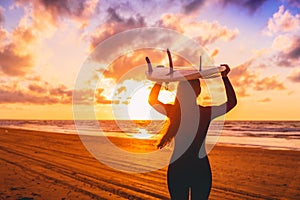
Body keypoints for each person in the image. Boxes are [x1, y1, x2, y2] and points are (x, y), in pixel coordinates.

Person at [148, 64, 237, 200]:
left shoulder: (173, 112)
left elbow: (152, 100)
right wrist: (224, 77)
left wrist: (160, 80)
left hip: (178, 168)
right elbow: (231, 102)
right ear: (198, 91)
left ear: (180, 91)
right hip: (200, 168)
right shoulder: (205, 112)